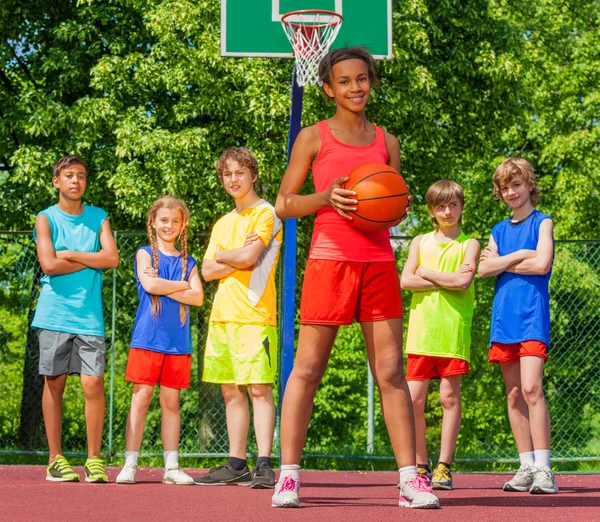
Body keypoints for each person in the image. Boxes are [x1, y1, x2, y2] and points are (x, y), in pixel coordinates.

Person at [271, 46, 439, 509]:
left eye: (362, 79)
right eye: (344, 81)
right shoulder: (312, 137)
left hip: (379, 263)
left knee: (390, 373)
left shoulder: (387, 142)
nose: (355, 87)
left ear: (371, 82)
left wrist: (392, 207)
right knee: (306, 370)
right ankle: (288, 476)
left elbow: (390, 203)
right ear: (328, 88)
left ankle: (410, 478)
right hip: (330, 261)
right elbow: (284, 204)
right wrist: (327, 197)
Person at [195, 147, 282, 489]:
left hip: (255, 316)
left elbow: (248, 258)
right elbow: (206, 270)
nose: (233, 179)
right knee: (231, 392)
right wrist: (237, 257)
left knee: (259, 389)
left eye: (239, 173)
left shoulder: (267, 213)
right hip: (222, 318)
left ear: (253, 175)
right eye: (227, 174)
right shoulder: (223, 222)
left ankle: (264, 463)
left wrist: (227, 257)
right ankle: (236, 463)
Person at [32, 154, 119, 482]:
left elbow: (112, 258)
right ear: (57, 181)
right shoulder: (46, 218)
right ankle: (55, 459)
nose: (75, 181)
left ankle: (94, 459)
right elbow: (49, 266)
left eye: (81, 176)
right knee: (54, 383)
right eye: (69, 175)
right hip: (54, 315)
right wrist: (91, 259)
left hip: (89, 318)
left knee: (93, 383)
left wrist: (69, 253)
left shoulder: (99, 217)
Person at [478, 157, 557, 494]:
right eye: (505, 187)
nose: (511, 192)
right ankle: (526, 466)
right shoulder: (498, 230)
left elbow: (541, 264)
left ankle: (544, 469)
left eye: (517, 185)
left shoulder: (543, 223)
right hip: (503, 321)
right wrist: (515, 256)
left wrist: (501, 263)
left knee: (531, 389)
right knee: (513, 396)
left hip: (531, 317)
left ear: (529, 186)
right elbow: (483, 271)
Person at [115, 196, 203, 485]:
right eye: (164, 220)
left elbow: (198, 297)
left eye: (175, 221)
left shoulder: (189, 261)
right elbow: (150, 285)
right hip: (147, 339)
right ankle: (130, 464)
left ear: (183, 225)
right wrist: (181, 285)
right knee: (140, 399)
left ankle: (171, 467)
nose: (169, 225)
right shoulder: (143, 254)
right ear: (152, 222)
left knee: (171, 403)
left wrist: (168, 286)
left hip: (177, 344)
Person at [401, 180, 480, 490]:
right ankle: (420, 465)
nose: (448, 211)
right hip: (422, 332)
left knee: (449, 397)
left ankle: (444, 467)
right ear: (431, 210)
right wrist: (444, 279)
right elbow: (406, 280)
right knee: (414, 400)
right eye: (441, 206)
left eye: (453, 205)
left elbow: (463, 282)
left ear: (461, 207)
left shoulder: (469, 244)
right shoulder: (420, 241)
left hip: (453, 331)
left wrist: (428, 274)